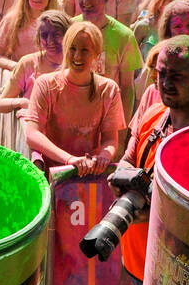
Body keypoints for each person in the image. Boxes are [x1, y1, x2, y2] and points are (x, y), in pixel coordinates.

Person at [116, 36, 189, 285]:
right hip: (138, 261)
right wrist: (120, 179)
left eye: (176, 76)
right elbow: (128, 158)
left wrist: (155, 211)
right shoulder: (154, 112)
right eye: (161, 73)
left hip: (182, 276)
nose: (165, 84)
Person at [23, 20, 125, 175]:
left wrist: (104, 156)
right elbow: (32, 134)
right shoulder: (46, 84)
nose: (77, 56)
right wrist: (69, 159)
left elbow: (110, 139)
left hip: (91, 174)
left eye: (85, 51)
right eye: (72, 49)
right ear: (65, 49)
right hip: (53, 173)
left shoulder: (108, 90)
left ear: (96, 54)